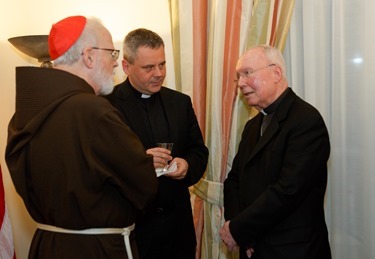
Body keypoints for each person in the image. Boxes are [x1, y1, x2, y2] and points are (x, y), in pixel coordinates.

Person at [5, 16, 158, 259]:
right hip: (97, 249)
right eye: (112, 53)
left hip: (47, 245)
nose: (115, 63)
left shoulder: (23, 114)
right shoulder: (95, 111)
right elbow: (144, 184)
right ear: (89, 56)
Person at [219, 45, 331, 259]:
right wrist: (242, 232)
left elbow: (288, 191)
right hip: (253, 246)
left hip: (293, 249)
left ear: (276, 73)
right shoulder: (252, 126)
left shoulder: (306, 120)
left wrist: (239, 229)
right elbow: (234, 181)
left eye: (247, 73)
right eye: (238, 77)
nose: (241, 83)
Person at [106, 28, 209, 259]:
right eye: (148, 68)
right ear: (126, 67)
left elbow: (199, 151)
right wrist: (141, 161)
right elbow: (102, 164)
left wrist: (186, 165)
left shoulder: (179, 102)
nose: (159, 73)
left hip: (177, 230)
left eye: (162, 65)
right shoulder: (107, 105)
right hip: (135, 229)